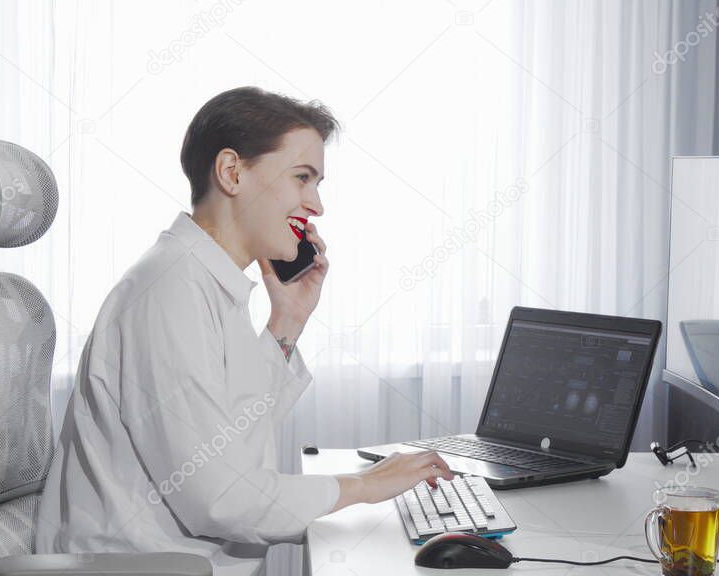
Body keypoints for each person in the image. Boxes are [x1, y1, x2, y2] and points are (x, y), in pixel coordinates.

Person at [35, 87, 453, 575]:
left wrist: (288, 318)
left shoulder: (206, 282)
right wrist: (363, 486)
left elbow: (232, 438)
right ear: (232, 172)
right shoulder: (170, 290)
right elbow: (224, 495)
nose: (316, 205)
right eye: (303, 178)